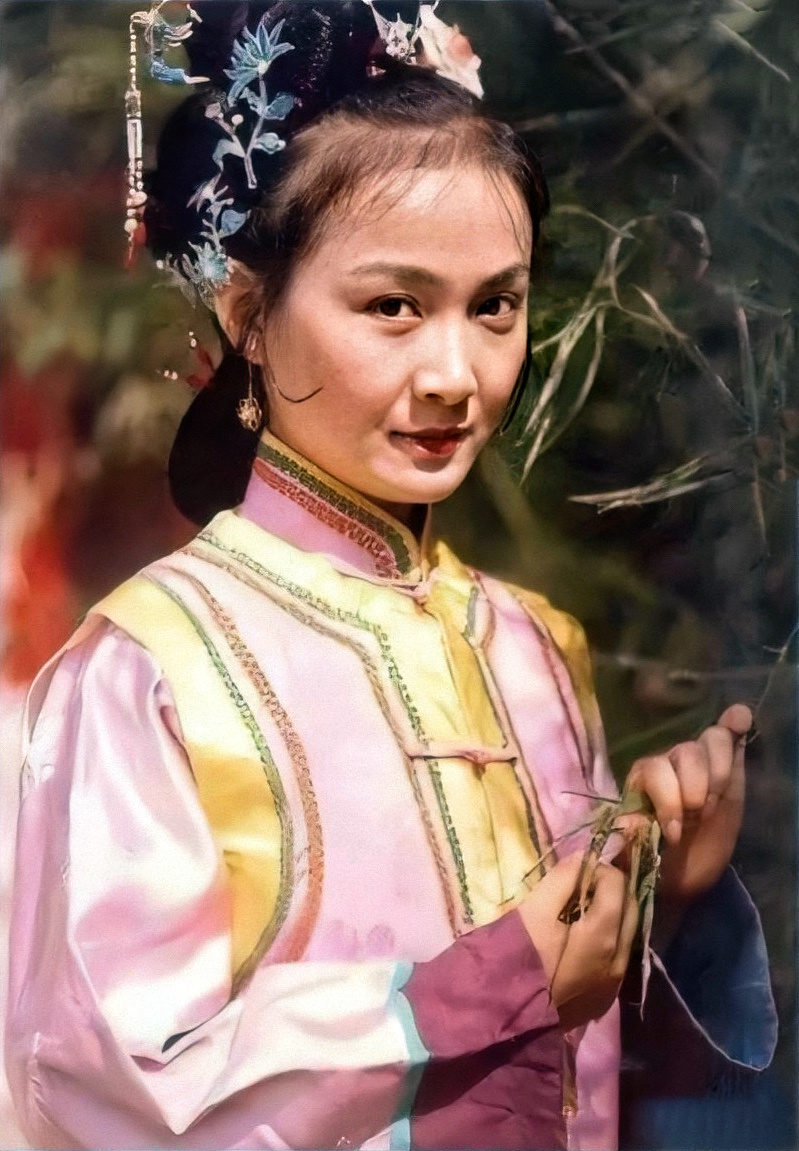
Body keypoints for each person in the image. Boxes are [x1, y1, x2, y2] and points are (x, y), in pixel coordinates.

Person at [4, 3, 777, 1149]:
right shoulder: (153, 670)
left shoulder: (534, 646)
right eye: (393, 307)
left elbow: (591, 1079)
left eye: (494, 306)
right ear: (248, 315)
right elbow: (97, 1080)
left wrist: (674, 905)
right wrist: (470, 991)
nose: (455, 373)